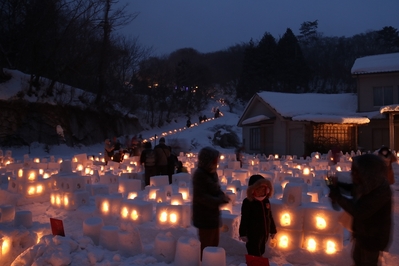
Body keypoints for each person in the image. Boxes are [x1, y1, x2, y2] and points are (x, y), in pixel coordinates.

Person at [328, 154, 392, 266]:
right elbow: (353, 189)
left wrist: (338, 196)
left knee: (366, 262)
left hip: (372, 240)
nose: (352, 174)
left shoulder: (380, 192)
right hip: (362, 235)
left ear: (367, 173)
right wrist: (335, 184)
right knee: (357, 259)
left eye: (356, 172)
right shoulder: (370, 184)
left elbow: (359, 211)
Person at [192, 146, 230, 258]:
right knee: (206, 247)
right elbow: (201, 197)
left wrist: (222, 195)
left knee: (214, 244)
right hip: (204, 217)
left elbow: (216, 189)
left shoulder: (212, 173)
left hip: (213, 216)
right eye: (214, 161)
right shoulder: (199, 175)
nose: (216, 164)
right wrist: (219, 200)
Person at [239, 174, 277, 257]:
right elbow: (244, 218)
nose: (261, 192)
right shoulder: (248, 202)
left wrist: (273, 230)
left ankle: (257, 259)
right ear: (252, 190)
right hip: (252, 233)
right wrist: (242, 233)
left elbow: (269, 216)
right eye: (259, 190)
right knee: (253, 250)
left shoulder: (266, 201)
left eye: (263, 190)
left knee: (261, 249)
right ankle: (254, 261)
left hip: (264, 232)